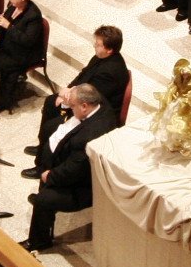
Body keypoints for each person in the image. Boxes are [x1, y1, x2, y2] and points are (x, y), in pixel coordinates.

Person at [22, 84, 118, 253]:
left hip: (85, 186)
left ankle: (39, 241)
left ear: (84, 106)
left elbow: (73, 170)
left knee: (45, 198)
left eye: (72, 106)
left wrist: (49, 176)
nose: (70, 109)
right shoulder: (98, 102)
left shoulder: (89, 136)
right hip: (77, 169)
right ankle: (45, 213)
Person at [24, 26, 128, 176]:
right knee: (50, 102)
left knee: (50, 127)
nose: (94, 46)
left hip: (95, 113)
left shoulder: (111, 71)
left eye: (98, 44)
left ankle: (43, 167)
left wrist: (68, 98)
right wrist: (66, 90)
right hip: (84, 99)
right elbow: (83, 75)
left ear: (109, 49)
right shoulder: (100, 56)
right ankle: (43, 146)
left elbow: (92, 98)